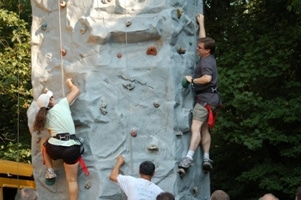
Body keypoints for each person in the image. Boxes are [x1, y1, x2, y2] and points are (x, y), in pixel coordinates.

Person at [178, 14, 221, 172]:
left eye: (199, 48)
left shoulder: (206, 62)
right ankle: (206, 157)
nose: (197, 48)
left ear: (206, 51)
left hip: (204, 99)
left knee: (195, 127)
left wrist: (192, 80)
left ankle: (188, 158)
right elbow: (203, 40)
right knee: (204, 129)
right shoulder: (209, 57)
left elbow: (207, 78)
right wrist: (201, 23)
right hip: (213, 99)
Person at [33, 78, 81, 200]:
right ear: (52, 100)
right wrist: (70, 84)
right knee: (72, 180)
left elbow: (51, 133)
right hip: (71, 147)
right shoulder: (63, 104)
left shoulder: (44, 118)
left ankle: (50, 170)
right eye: (51, 97)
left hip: (55, 148)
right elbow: (76, 90)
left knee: (44, 142)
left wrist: (46, 93)